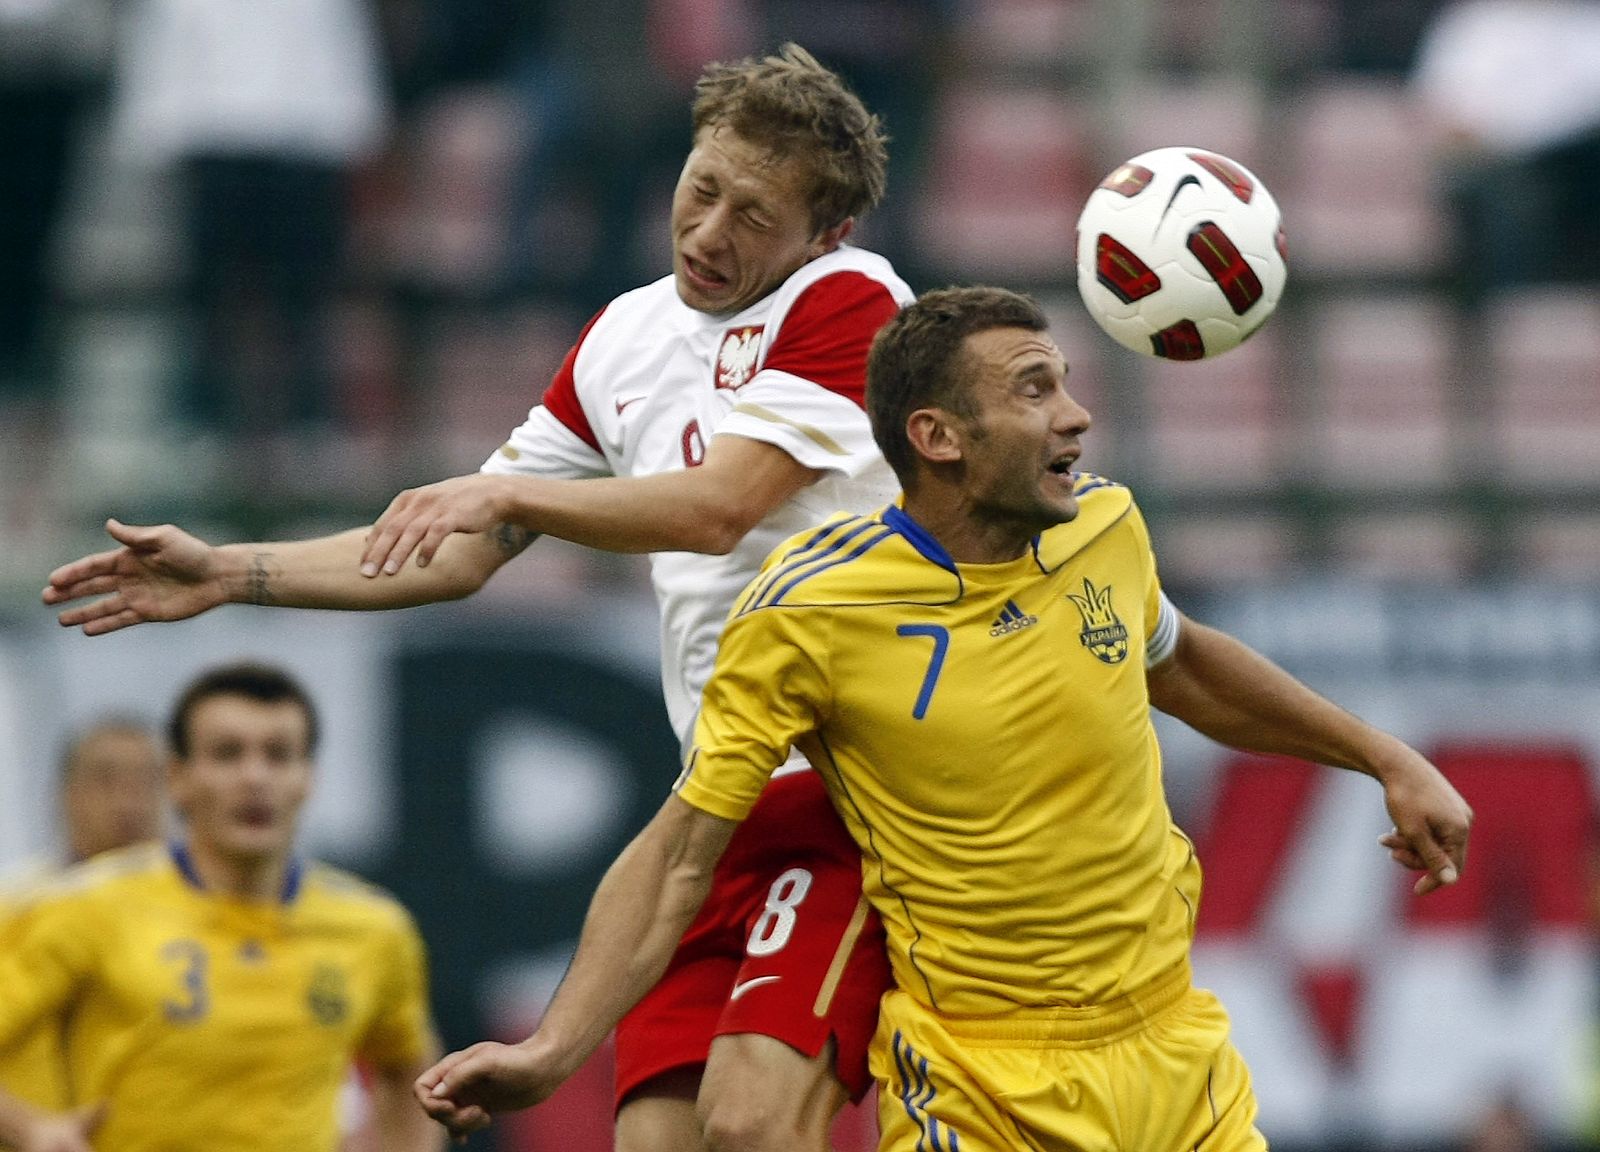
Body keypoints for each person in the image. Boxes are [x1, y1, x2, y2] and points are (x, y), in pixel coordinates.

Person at [43, 43, 914, 1152]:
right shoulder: (624, 337)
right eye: (701, 190)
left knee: (750, 1127)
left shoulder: (849, 299)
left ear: (824, 232)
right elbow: (458, 551)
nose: (708, 232)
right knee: (654, 1142)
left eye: (753, 215)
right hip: (715, 796)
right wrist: (232, 572)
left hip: (849, 785)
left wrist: (508, 493)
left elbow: (715, 508)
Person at [409, 286, 1474, 1148]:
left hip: (1175, 1057)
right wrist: (553, 1051)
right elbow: (683, 851)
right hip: (981, 1084)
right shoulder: (809, 610)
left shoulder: (1102, 525)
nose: (1075, 416)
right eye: (1033, 391)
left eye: (1062, 385)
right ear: (938, 436)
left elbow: (1180, 662)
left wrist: (1382, 756)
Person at [0, 662, 443, 1152]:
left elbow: (408, 1066)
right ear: (178, 778)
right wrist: (28, 1129)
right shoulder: (81, 907)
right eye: (228, 754)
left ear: (309, 777)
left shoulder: (373, 930)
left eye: (278, 755)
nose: (255, 777)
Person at [0, 718, 164, 1142]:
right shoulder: (16, 908)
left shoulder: (210, 915)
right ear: (64, 794)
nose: (129, 800)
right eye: (106, 780)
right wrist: (25, 1126)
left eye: (147, 781)